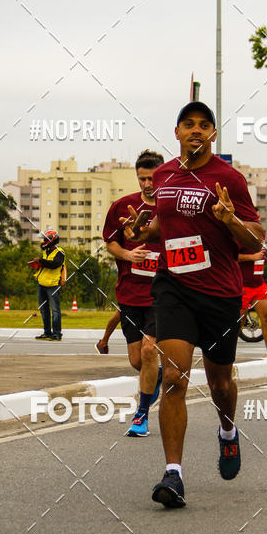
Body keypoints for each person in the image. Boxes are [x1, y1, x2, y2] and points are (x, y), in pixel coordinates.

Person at [122, 101, 264, 508]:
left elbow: (255, 239)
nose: (196, 130)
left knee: (220, 382)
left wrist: (230, 220)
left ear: (213, 134)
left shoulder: (229, 179)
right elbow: (167, 227)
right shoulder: (165, 174)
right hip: (174, 289)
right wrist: (144, 232)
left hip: (219, 292)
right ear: (178, 132)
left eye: (205, 125)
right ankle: (174, 474)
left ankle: (227, 431)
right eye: (189, 124)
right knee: (174, 377)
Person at [103, 150, 164, 436]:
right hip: (130, 294)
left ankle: (141, 415)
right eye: (143, 179)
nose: (148, 184)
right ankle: (156, 377)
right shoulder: (121, 207)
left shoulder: (171, 208)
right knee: (138, 360)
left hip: (162, 293)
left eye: (152, 178)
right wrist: (128, 255)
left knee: (150, 350)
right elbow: (111, 244)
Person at [237, 245, 267, 364]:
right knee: (239, 322)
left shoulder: (260, 235)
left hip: (259, 284)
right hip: (242, 285)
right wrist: (252, 257)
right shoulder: (241, 233)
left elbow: (257, 257)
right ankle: (227, 355)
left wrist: (265, 261)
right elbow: (232, 256)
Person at [33, 229, 65, 341]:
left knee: (55, 310)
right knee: (43, 310)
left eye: (46, 239)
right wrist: (37, 264)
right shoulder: (45, 252)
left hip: (52, 285)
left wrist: (41, 261)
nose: (43, 241)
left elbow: (55, 265)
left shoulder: (60, 252)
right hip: (41, 284)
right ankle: (47, 332)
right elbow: (44, 266)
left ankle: (57, 333)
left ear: (52, 240)